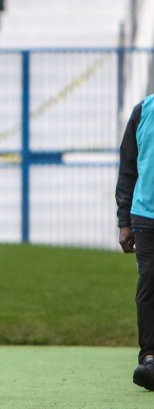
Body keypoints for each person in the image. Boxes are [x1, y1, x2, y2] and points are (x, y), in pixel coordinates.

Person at [116, 93, 154, 391]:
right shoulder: (143, 111)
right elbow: (128, 168)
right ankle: (150, 358)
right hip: (146, 216)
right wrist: (124, 221)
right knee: (150, 282)